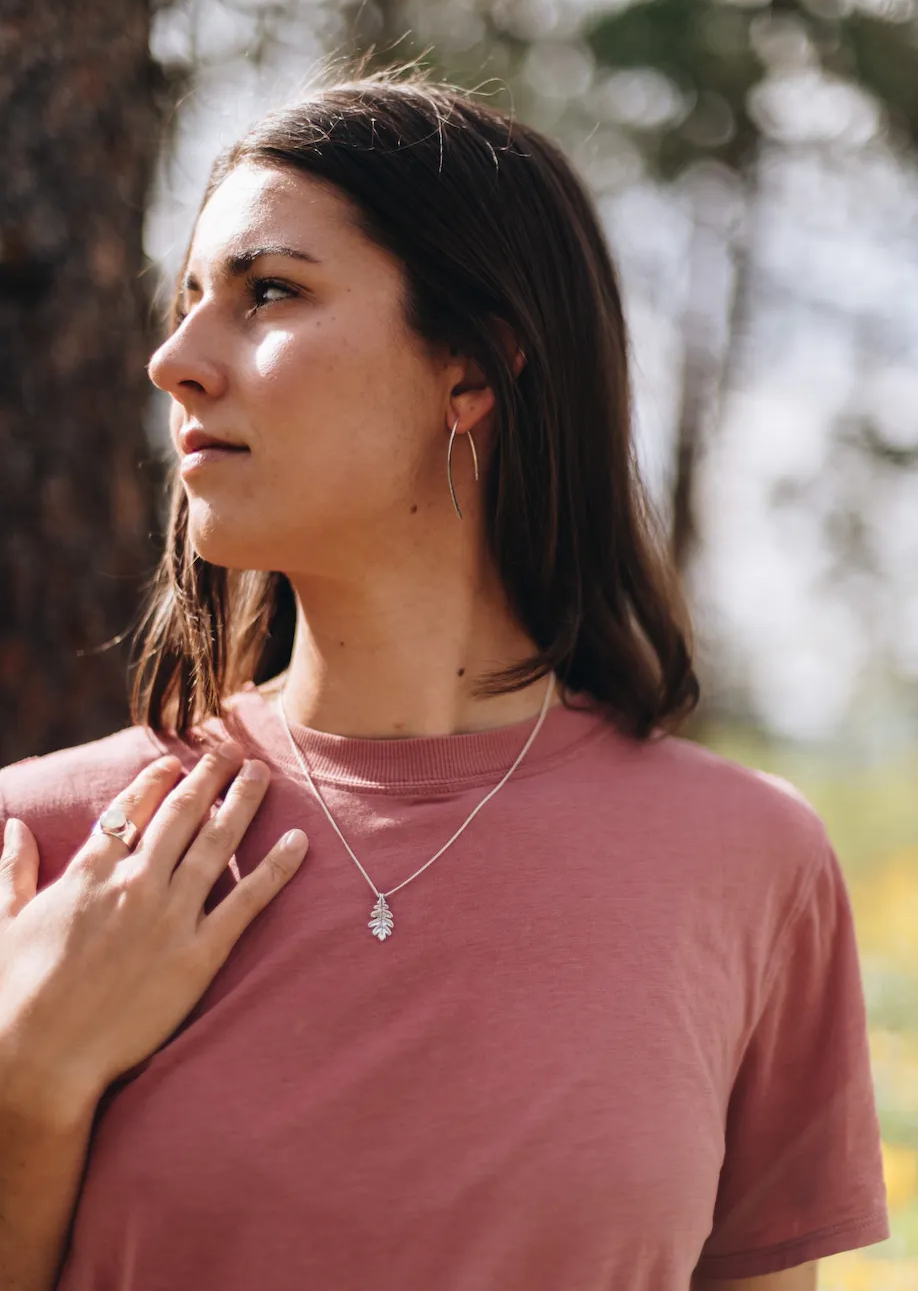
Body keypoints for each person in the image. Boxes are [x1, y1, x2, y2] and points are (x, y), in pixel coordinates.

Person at [0, 68, 889, 1291]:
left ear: (472, 368)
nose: (174, 361)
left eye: (267, 293)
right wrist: (27, 1084)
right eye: (186, 297)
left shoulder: (746, 863)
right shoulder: (49, 846)